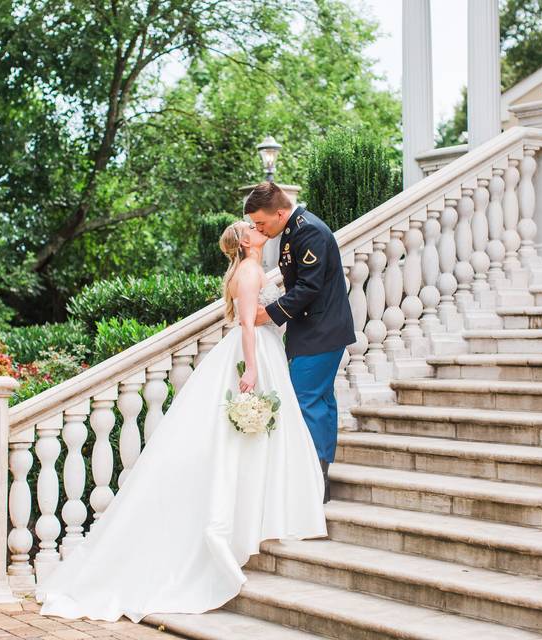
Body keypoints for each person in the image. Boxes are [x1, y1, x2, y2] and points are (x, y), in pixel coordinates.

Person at [38, 220, 326, 623]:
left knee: (253, 441)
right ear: (245, 241)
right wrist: (252, 370)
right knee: (242, 442)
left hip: (262, 350)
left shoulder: (251, 268)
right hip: (254, 353)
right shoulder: (250, 271)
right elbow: (247, 323)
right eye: (254, 228)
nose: (261, 229)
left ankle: (258, 514)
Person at [246, 182, 356, 503]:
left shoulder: (309, 232)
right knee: (320, 401)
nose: (258, 229)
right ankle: (320, 478)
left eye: (261, 223)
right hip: (315, 330)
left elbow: (308, 287)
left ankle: (315, 479)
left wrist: (266, 314)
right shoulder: (292, 231)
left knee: (307, 401)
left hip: (321, 331)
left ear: (279, 212)